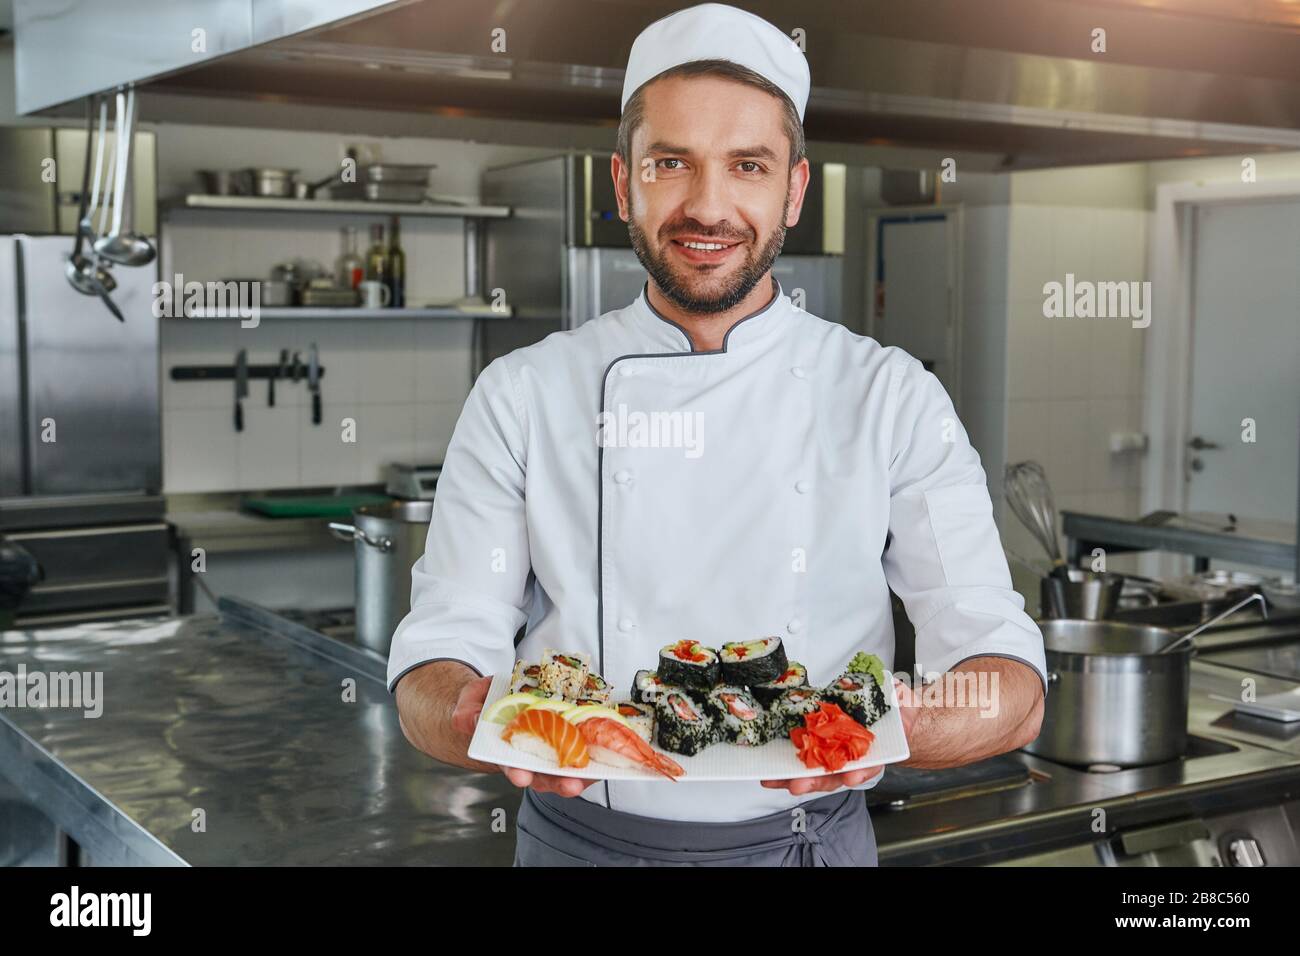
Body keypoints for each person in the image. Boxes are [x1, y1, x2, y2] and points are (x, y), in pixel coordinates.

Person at [390, 2, 1045, 867]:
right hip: (582, 849)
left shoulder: (890, 397)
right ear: (623, 182)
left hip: (808, 846)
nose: (709, 206)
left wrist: (884, 728)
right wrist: (482, 719)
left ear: (794, 191)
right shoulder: (524, 394)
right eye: (671, 163)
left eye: (748, 165)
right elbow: (437, 659)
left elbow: (1008, 682)